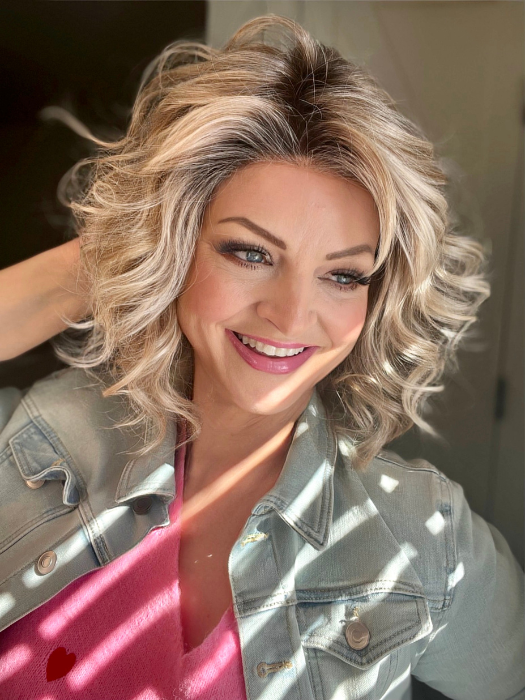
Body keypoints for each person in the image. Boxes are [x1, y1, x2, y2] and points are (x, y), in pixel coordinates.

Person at [0, 14, 523, 700]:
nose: (290, 314)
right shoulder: (36, 450)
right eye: (250, 253)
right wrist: (120, 245)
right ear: (176, 247)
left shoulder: (423, 538)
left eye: (343, 275)